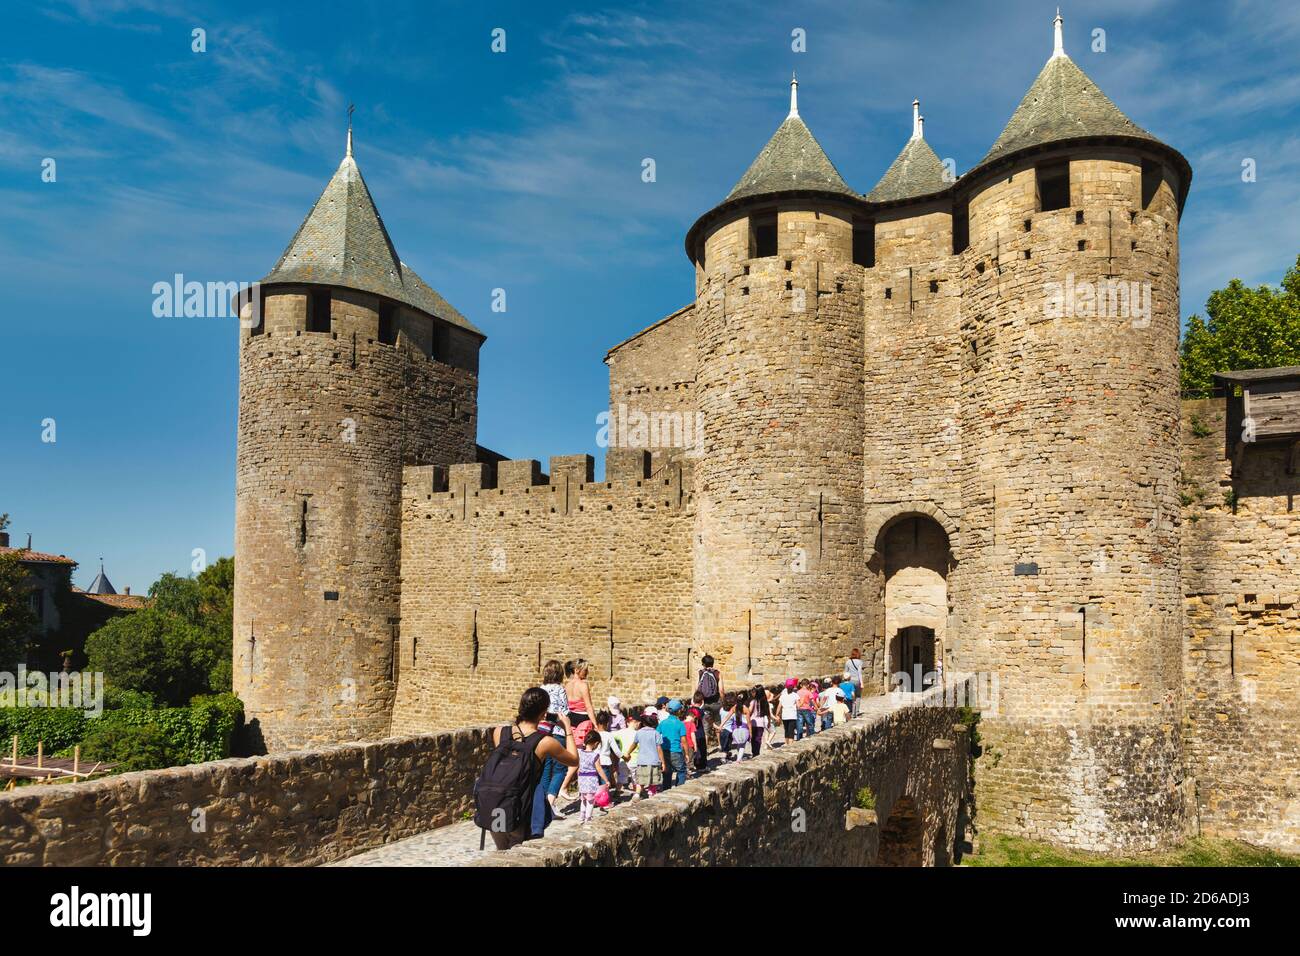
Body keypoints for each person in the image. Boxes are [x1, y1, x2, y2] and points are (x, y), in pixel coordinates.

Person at [487, 688, 578, 850]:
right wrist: (568, 730)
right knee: (520, 857)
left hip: (496, 806)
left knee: (501, 855)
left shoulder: (499, 732)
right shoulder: (545, 742)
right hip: (522, 809)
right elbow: (573, 760)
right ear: (544, 714)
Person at [537, 659, 570, 820]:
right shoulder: (560, 689)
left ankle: (541, 804)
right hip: (557, 732)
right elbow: (564, 712)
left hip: (541, 733)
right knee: (560, 769)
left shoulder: (540, 689)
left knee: (545, 768)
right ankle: (550, 802)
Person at [576, 727, 609, 823]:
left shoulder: (580, 753)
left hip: (582, 779)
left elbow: (578, 767)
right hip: (591, 779)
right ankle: (588, 817)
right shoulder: (595, 755)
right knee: (591, 801)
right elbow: (599, 769)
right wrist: (606, 780)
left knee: (583, 799)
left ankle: (581, 816)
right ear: (596, 743)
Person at [631, 712, 665, 797]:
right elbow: (659, 748)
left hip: (642, 761)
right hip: (654, 761)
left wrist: (628, 753)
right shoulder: (656, 733)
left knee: (641, 780)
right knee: (653, 780)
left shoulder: (639, 732)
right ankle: (651, 794)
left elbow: (634, 744)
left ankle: (637, 794)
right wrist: (663, 762)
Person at [658, 699, 690, 787]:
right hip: (676, 751)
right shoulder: (680, 724)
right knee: (681, 771)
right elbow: (684, 741)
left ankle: (666, 790)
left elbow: (656, 735)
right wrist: (687, 754)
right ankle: (679, 788)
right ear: (679, 711)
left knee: (667, 772)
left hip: (664, 751)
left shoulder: (663, 723)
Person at [696, 654, 724, 742]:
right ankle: (720, 745)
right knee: (718, 722)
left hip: (705, 703)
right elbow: (721, 690)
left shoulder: (700, 673)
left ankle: (705, 747)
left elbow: (697, 689)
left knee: (705, 724)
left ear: (703, 664)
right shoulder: (717, 673)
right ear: (712, 663)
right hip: (716, 702)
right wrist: (722, 701)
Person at [564, 659, 596, 729]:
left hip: (570, 718)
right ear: (577, 670)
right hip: (583, 720)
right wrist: (595, 724)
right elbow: (588, 707)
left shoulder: (567, 685)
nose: (587, 672)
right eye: (585, 670)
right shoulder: (583, 685)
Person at [748, 683, 770, 757]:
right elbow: (768, 713)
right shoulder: (765, 702)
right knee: (758, 738)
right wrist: (769, 722)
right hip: (761, 723)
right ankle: (756, 753)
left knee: (753, 739)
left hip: (753, 722)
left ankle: (754, 752)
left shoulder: (753, 702)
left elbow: (749, 712)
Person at [778, 679, 799, 745]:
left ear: (786, 687)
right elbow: (798, 706)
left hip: (785, 715)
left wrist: (777, 714)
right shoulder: (795, 695)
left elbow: (779, 706)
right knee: (791, 731)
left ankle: (786, 743)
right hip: (792, 715)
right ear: (793, 687)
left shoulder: (782, 696)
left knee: (786, 730)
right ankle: (790, 744)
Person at [845, 648, 864, 716]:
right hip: (857, 681)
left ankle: (850, 711)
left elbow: (846, 672)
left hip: (850, 681)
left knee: (851, 696)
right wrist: (862, 683)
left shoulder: (848, 662)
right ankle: (857, 711)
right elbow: (859, 673)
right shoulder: (860, 662)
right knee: (858, 696)